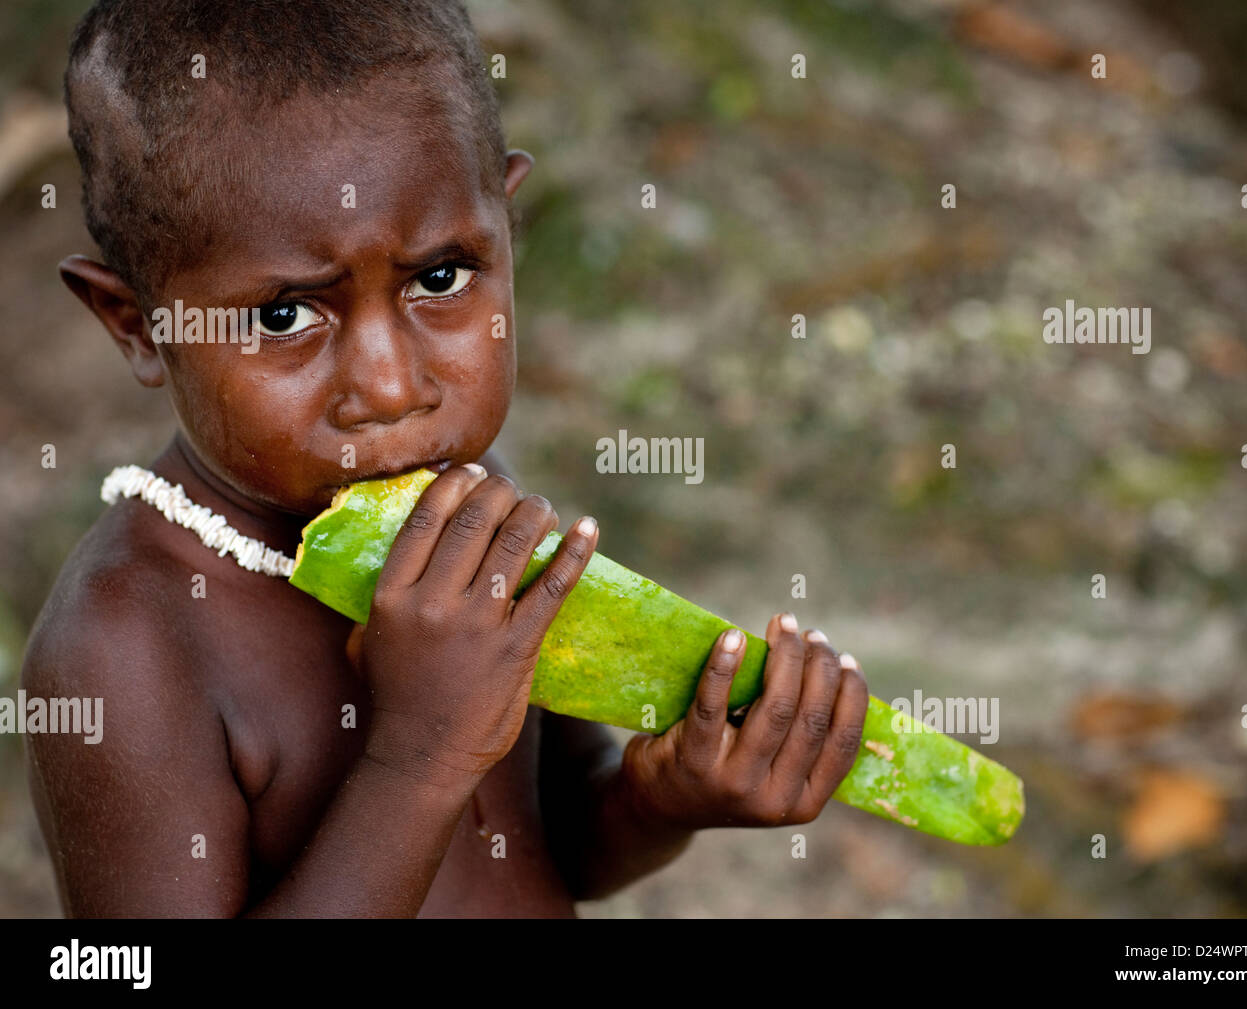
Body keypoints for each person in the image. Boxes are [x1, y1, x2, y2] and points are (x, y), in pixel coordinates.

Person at [22, 0, 868, 917]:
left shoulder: (475, 506)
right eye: (282, 315)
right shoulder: (123, 647)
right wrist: (421, 755)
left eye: (440, 277)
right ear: (139, 325)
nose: (391, 388)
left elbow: (556, 848)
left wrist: (661, 797)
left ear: (507, 228)